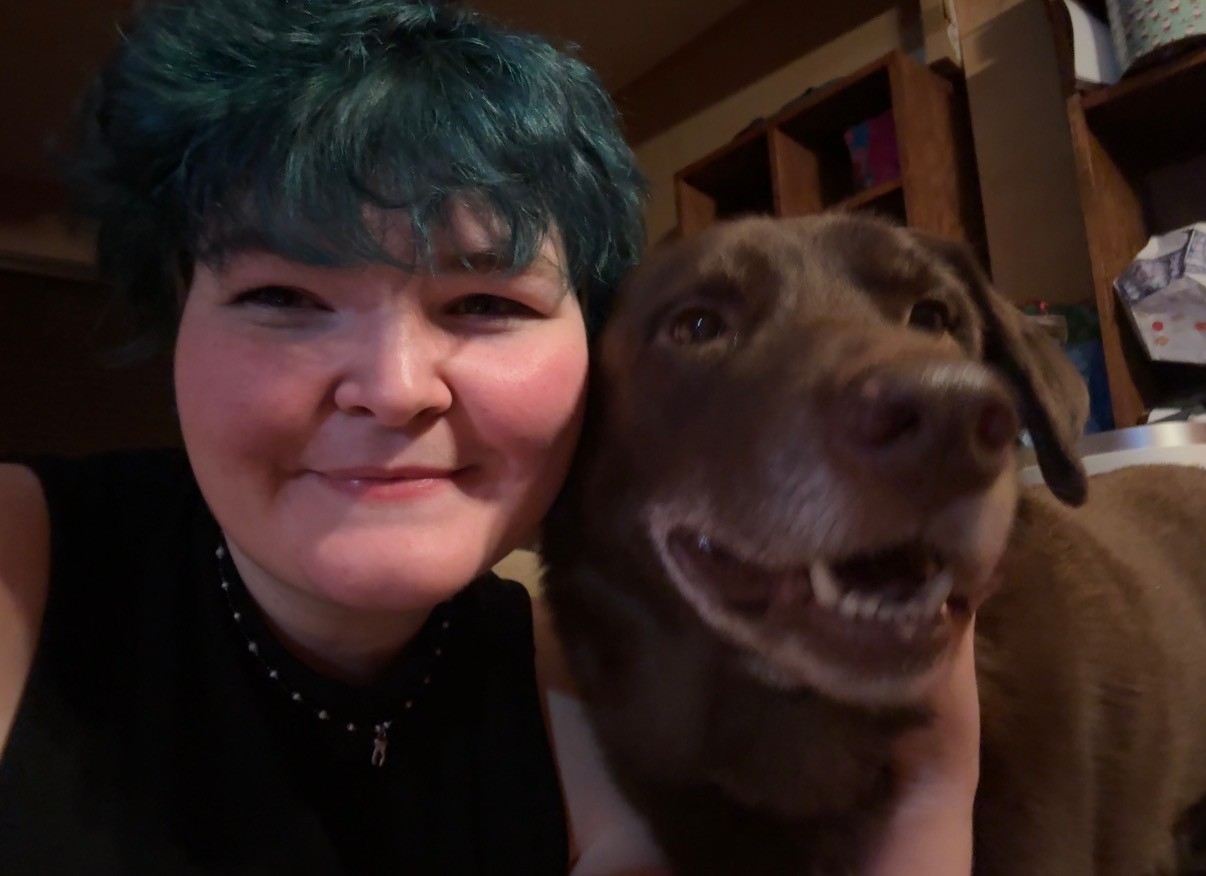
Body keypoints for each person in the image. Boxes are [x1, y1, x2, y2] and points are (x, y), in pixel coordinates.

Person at [0, 0, 980, 872]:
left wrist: (929, 772)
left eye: (482, 301)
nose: (392, 390)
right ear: (179, 322)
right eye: (283, 296)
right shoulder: (23, 564)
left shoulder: (567, 672)